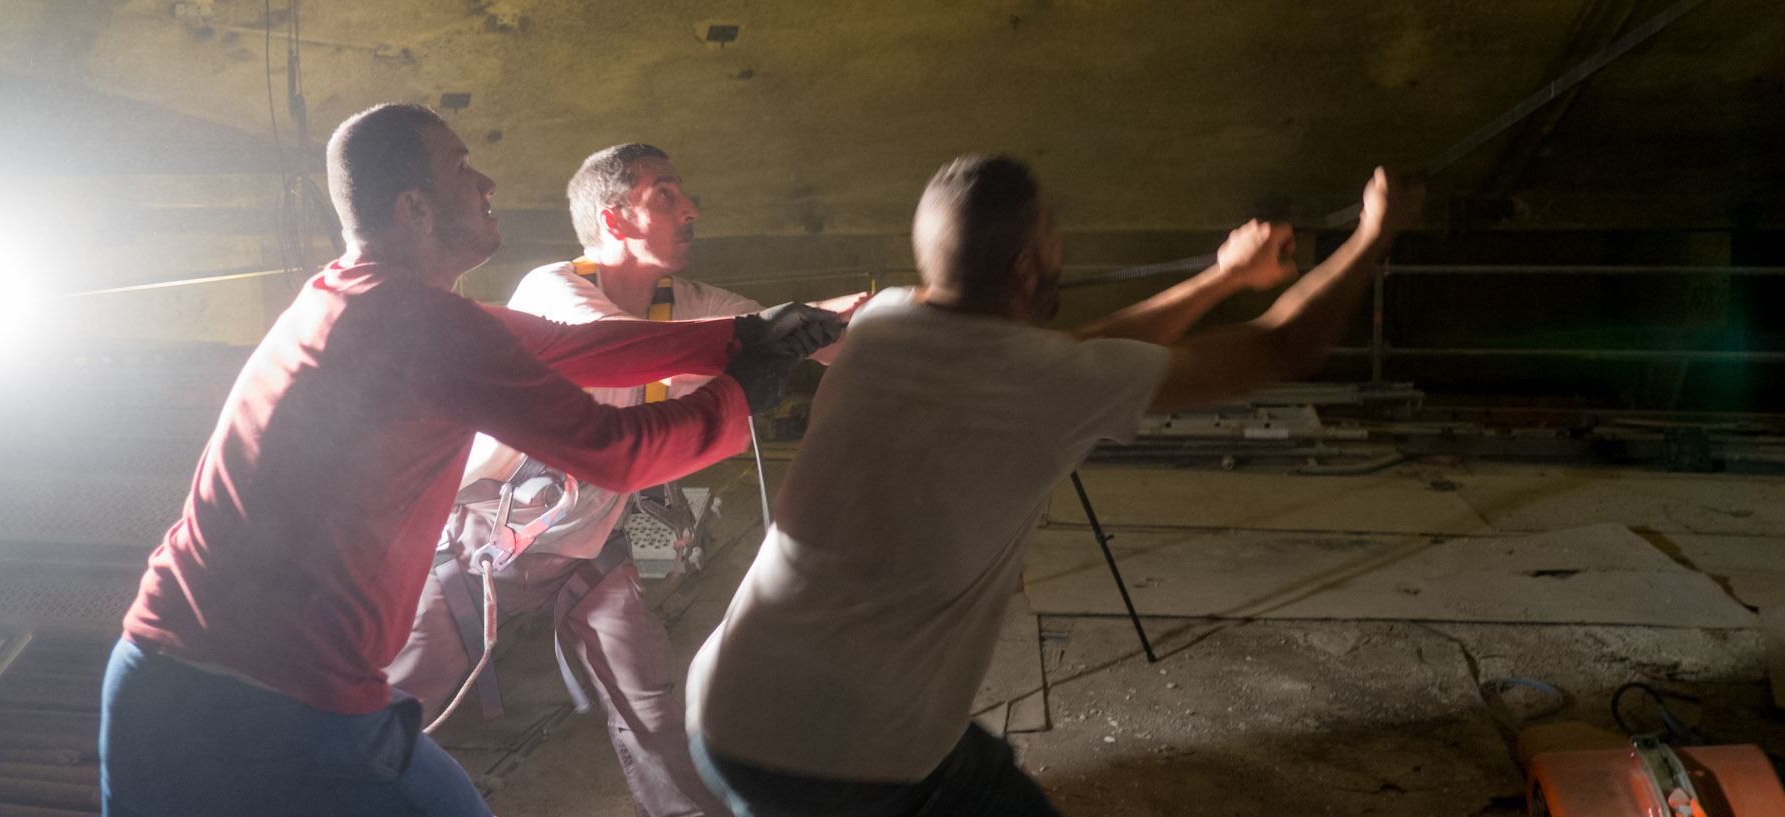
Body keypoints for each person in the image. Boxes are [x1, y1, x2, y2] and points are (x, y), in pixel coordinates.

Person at [98, 104, 839, 817]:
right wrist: (741, 391)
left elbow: (580, 349)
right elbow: (616, 451)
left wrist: (746, 335)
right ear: (416, 208)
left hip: (161, 672)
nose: (487, 182)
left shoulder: (355, 299)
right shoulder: (426, 325)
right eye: (461, 168)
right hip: (276, 699)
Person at [685, 154, 1422, 817]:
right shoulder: (1044, 381)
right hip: (856, 759)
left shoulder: (884, 319)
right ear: (1027, 267)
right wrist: (1375, 234)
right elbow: (1283, 346)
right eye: (1053, 236)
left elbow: (1069, 355)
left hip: (729, 709)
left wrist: (1224, 276)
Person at [385, 143, 863, 817]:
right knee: (389, 709)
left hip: (580, 552)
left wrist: (897, 320)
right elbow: (616, 350)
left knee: (650, 707)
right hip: (473, 551)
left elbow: (798, 331)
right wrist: (762, 341)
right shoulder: (553, 291)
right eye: (665, 195)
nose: (689, 208)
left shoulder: (687, 302)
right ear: (614, 221)